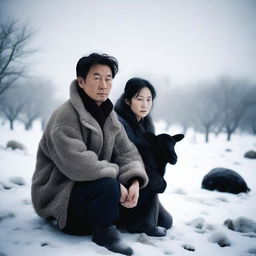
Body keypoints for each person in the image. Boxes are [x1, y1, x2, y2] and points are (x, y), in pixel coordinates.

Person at [31, 53, 149, 256]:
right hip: (60, 198)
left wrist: (135, 181)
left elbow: (128, 152)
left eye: (109, 78)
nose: (104, 84)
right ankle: (104, 233)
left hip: (87, 191)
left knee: (138, 185)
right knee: (109, 185)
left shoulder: (110, 116)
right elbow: (76, 163)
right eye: (97, 78)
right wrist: (114, 175)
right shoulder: (64, 117)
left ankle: (121, 219)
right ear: (81, 81)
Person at [114, 77, 173, 236]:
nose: (145, 105)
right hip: (125, 179)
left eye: (149, 100)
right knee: (155, 181)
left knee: (167, 222)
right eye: (139, 99)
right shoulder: (118, 122)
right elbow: (120, 157)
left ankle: (142, 219)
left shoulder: (146, 122)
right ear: (127, 100)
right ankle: (140, 224)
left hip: (144, 180)